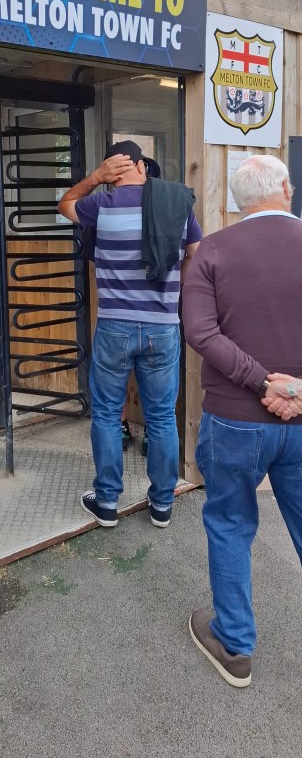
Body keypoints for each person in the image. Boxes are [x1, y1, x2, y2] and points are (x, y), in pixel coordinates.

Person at [182, 154, 302, 689]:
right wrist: (294, 390)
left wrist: (260, 383)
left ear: (237, 200)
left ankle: (235, 646)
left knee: (230, 524)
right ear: (286, 189)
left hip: (234, 421)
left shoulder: (212, 250)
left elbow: (200, 332)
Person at [58, 140, 202, 529]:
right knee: (161, 416)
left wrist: (94, 178)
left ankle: (106, 502)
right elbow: (197, 251)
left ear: (113, 170)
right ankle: (162, 504)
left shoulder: (100, 205)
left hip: (114, 326)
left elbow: (65, 203)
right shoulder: (176, 204)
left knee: (107, 413)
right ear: (141, 166)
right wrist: (175, 289)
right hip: (163, 328)